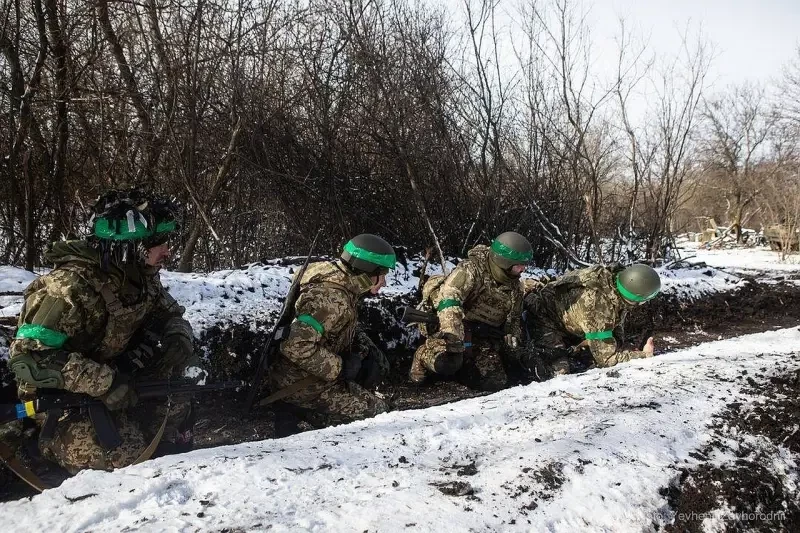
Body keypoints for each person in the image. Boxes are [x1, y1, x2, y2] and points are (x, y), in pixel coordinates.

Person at [8, 187, 200, 474]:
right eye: (159, 242)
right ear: (131, 245)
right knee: (126, 459)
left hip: (116, 380)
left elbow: (169, 313)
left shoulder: (138, 277)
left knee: (178, 402)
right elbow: (30, 359)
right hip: (58, 400)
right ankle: (36, 446)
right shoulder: (68, 288)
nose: (167, 251)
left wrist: (177, 335)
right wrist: (106, 383)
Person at [268, 234, 394, 430]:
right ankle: (298, 410)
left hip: (309, 373)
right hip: (301, 384)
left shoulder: (339, 279)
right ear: (367, 272)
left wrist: (360, 351)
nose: (384, 282)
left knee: (376, 362)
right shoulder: (331, 299)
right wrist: (340, 367)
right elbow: (295, 345)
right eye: (382, 274)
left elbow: (336, 326)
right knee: (379, 416)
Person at [408, 232, 532, 391]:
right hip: (451, 327)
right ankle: (423, 354)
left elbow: (513, 318)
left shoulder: (515, 288)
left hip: (480, 338)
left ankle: (461, 369)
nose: (523, 269)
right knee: (447, 362)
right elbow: (449, 299)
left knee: (495, 381)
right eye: (519, 265)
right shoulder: (471, 270)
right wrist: (452, 333)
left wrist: (512, 337)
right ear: (504, 262)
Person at [522, 263, 661, 378]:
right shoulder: (598, 307)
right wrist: (643, 356)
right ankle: (525, 362)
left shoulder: (612, 282)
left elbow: (616, 322)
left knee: (587, 352)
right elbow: (606, 360)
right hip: (545, 319)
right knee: (560, 371)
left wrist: (618, 344)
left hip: (569, 318)